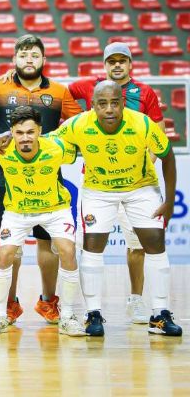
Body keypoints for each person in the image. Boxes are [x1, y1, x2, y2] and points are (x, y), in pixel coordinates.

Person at [54, 81, 181, 337]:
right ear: (93, 106)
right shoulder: (78, 124)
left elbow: (167, 156)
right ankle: (93, 314)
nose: (109, 109)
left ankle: (160, 314)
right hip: (98, 191)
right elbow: (44, 141)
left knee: (155, 243)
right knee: (92, 246)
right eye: (103, 103)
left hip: (141, 187)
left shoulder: (142, 123)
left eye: (115, 103)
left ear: (123, 103)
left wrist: (168, 201)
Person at [0, 34, 82, 325]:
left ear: (43, 59)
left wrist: (52, 145)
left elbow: (76, 125)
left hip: (48, 177)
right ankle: (10, 305)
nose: (29, 60)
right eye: (23, 54)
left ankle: (48, 301)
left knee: (49, 244)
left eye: (34, 55)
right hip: (6, 178)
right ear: (14, 58)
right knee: (9, 248)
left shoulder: (59, 91)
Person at [68, 42, 165, 324]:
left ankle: (136, 300)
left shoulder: (144, 92)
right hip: (97, 183)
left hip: (137, 184)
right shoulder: (90, 87)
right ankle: (79, 306)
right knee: (85, 244)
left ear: (131, 65)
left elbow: (157, 134)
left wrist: (144, 163)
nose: (117, 66)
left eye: (123, 61)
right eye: (112, 61)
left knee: (138, 244)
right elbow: (61, 94)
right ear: (105, 64)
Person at [0, 106, 86, 337]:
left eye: (30, 132)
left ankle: (66, 316)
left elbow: (77, 129)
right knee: (5, 254)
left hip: (55, 209)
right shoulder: (0, 148)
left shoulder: (56, 148)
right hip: (17, 211)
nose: (25, 137)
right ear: (11, 133)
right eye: (19, 133)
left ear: (40, 131)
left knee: (67, 251)